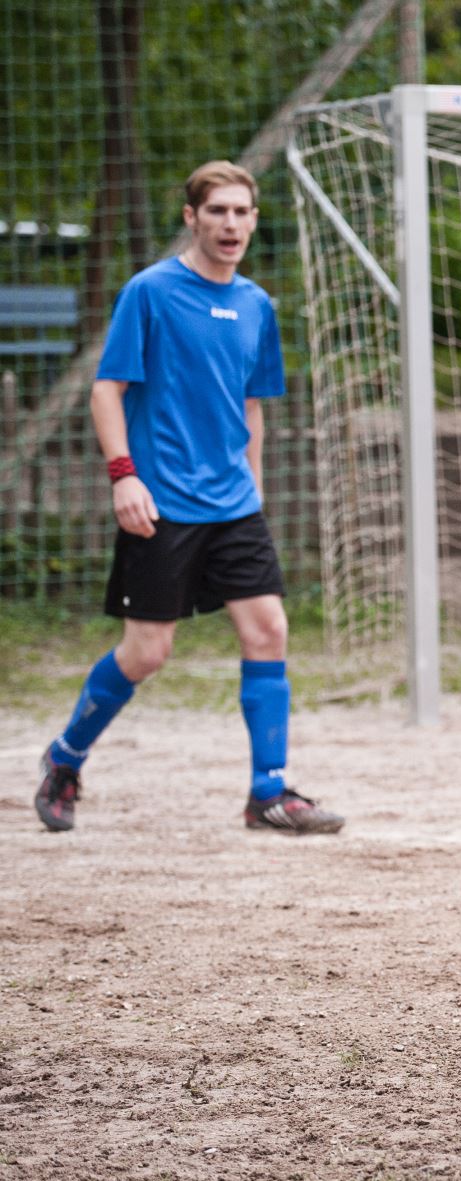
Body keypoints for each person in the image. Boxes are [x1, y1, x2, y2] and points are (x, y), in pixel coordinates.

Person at [32, 161, 344, 837]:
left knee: (269, 629)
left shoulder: (258, 305)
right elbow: (105, 389)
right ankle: (65, 757)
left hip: (234, 504)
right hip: (162, 500)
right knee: (146, 652)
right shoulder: (150, 292)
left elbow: (252, 407)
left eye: (241, 212)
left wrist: (254, 485)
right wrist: (124, 474)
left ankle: (268, 793)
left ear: (254, 220)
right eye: (218, 212)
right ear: (191, 218)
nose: (230, 224)